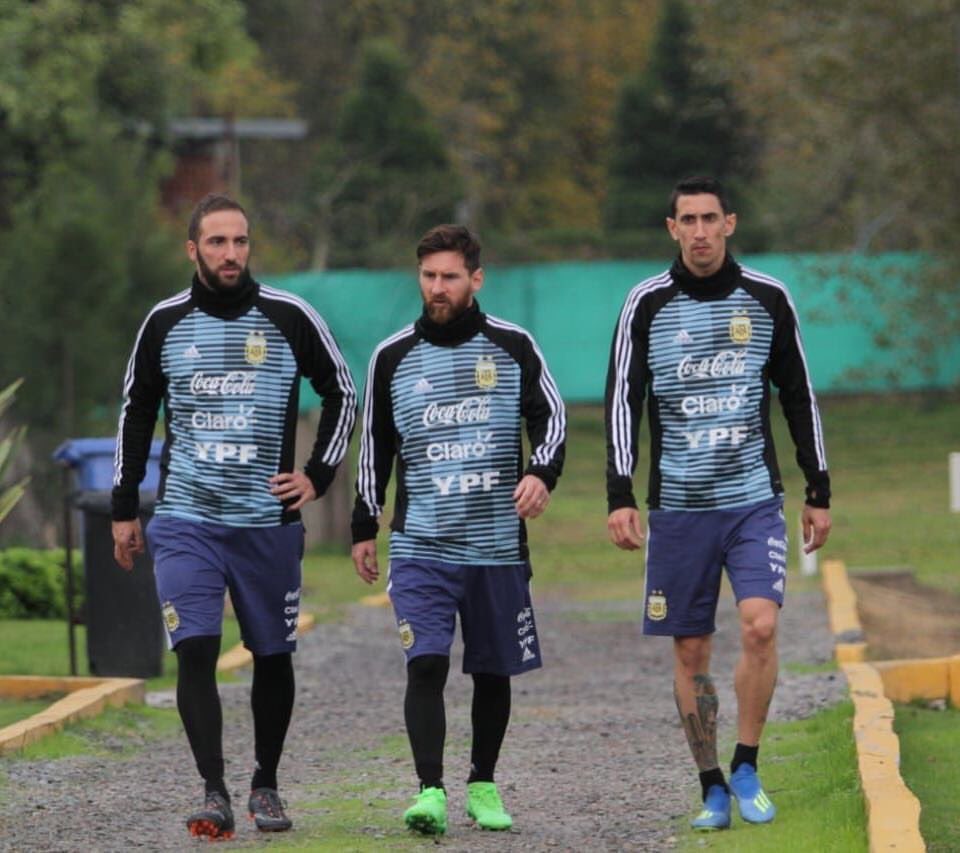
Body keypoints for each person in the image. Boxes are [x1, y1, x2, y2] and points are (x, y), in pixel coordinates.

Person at [111, 193, 357, 840]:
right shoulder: (164, 322)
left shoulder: (287, 314)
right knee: (194, 647)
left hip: (265, 523)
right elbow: (136, 412)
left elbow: (342, 390)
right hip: (187, 517)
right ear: (192, 249)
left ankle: (265, 784)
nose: (230, 253)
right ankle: (213, 788)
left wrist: (318, 474)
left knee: (272, 655)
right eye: (217, 242)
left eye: (240, 241)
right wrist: (122, 506)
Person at [604, 177, 831, 830]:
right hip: (678, 508)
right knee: (690, 652)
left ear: (729, 223)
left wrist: (818, 489)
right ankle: (710, 784)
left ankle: (747, 763)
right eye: (688, 220)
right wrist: (620, 493)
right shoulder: (645, 303)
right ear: (671, 228)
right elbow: (623, 399)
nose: (700, 231)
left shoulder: (765, 297)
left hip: (752, 500)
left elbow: (798, 395)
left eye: (711, 218)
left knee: (760, 623)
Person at [351, 224, 566, 836]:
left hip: (496, 546)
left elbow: (551, 420)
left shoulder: (513, 346)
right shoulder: (391, 357)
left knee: (491, 670)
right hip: (420, 545)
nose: (437, 288)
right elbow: (376, 449)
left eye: (449, 277)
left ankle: (482, 783)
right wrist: (365, 524)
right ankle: (429, 792)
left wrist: (541, 474)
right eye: (428, 276)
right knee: (425, 665)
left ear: (475, 278)